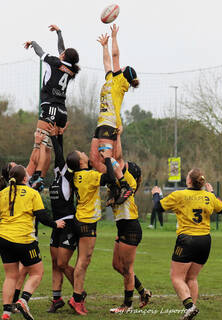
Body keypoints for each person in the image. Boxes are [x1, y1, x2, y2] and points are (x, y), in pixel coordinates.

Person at [152, 169, 222, 320]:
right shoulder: (208, 196)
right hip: (205, 240)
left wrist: (156, 194)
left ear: (189, 181)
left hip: (188, 239)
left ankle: (190, 307)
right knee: (192, 278)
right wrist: (211, 194)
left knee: (176, 277)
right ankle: (192, 310)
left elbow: (158, 207)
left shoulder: (180, 195)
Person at [0, 165, 65, 320]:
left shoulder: (2, 194)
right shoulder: (32, 193)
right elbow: (42, 216)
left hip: (4, 239)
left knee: (10, 276)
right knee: (37, 272)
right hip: (24, 240)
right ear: (24, 179)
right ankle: (23, 300)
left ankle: (6, 313)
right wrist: (56, 224)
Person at [24, 24, 80, 189]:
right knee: (47, 147)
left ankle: (37, 177)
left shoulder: (54, 62)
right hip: (62, 112)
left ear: (63, 56)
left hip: (50, 107)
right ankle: (39, 177)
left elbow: (40, 52)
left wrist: (32, 42)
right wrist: (59, 33)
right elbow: (62, 50)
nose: (60, 52)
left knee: (41, 144)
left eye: (62, 53)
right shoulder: (72, 69)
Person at [89, 24, 139, 205]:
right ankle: (115, 184)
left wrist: (114, 37)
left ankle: (123, 185)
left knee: (108, 158)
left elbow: (115, 57)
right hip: (101, 123)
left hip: (110, 122)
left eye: (122, 67)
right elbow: (107, 62)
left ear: (124, 74)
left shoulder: (120, 82)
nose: (119, 66)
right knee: (95, 160)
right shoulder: (111, 78)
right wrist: (103, 46)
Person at [66, 149, 117, 315]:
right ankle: (76, 298)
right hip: (87, 222)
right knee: (83, 261)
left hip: (81, 219)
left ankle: (78, 297)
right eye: (81, 153)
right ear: (81, 162)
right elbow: (110, 178)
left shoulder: (77, 175)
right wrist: (108, 160)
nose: (83, 152)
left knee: (84, 261)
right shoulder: (89, 175)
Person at [110, 161, 152, 313]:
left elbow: (117, 163)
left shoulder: (130, 182)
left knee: (127, 269)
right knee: (117, 265)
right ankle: (143, 292)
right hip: (122, 229)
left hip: (130, 228)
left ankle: (127, 305)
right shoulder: (119, 183)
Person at [47, 126, 78, 313]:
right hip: (56, 224)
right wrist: (59, 134)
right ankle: (56, 299)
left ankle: (79, 292)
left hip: (68, 223)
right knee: (54, 263)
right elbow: (60, 155)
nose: (58, 164)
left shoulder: (68, 176)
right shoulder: (59, 174)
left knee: (62, 263)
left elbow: (60, 154)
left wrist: (54, 136)